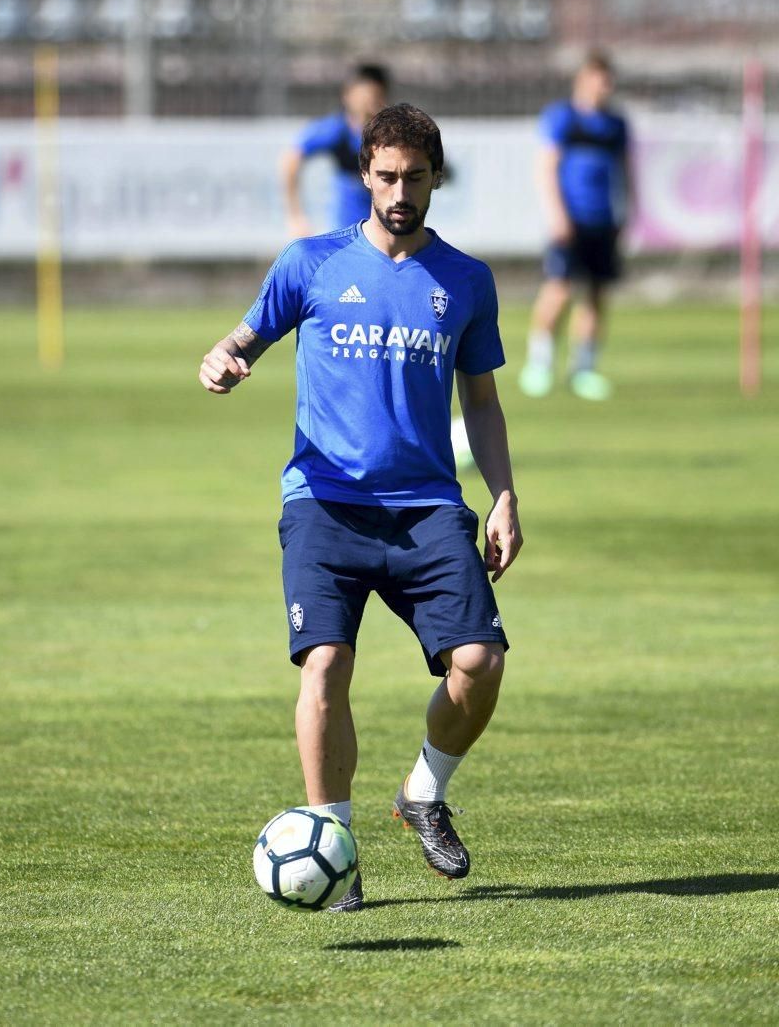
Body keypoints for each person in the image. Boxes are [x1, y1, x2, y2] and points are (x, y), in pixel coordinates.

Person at [200, 103, 523, 911]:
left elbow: (479, 402)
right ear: (364, 176)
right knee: (327, 663)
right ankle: (334, 846)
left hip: (426, 506)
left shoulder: (467, 280)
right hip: (325, 503)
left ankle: (423, 791)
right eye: (386, 175)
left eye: (415, 176)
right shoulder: (309, 263)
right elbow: (246, 336)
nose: (400, 190)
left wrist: (505, 496)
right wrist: (225, 356)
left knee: (481, 663)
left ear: (436, 177)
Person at [519, 51, 634, 402]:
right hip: (570, 220)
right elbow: (546, 168)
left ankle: (583, 369)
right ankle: (539, 363)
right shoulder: (563, 119)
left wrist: (626, 213)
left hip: (604, 220)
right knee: (560, 290)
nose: (604, 87)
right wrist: (557, 214)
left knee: (597, 294)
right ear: (583, 80)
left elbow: (626, 172)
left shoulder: (616, 125)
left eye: (608, 80)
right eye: (598, 79)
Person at [281, 64, 390, 238]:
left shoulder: (393, 132)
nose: (368, 101)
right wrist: (296, 216)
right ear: (347, 96)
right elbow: (291, 159)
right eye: (363, 95)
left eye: (374, 95)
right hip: (346, 228)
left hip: (386, 227)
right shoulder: (336, 130)